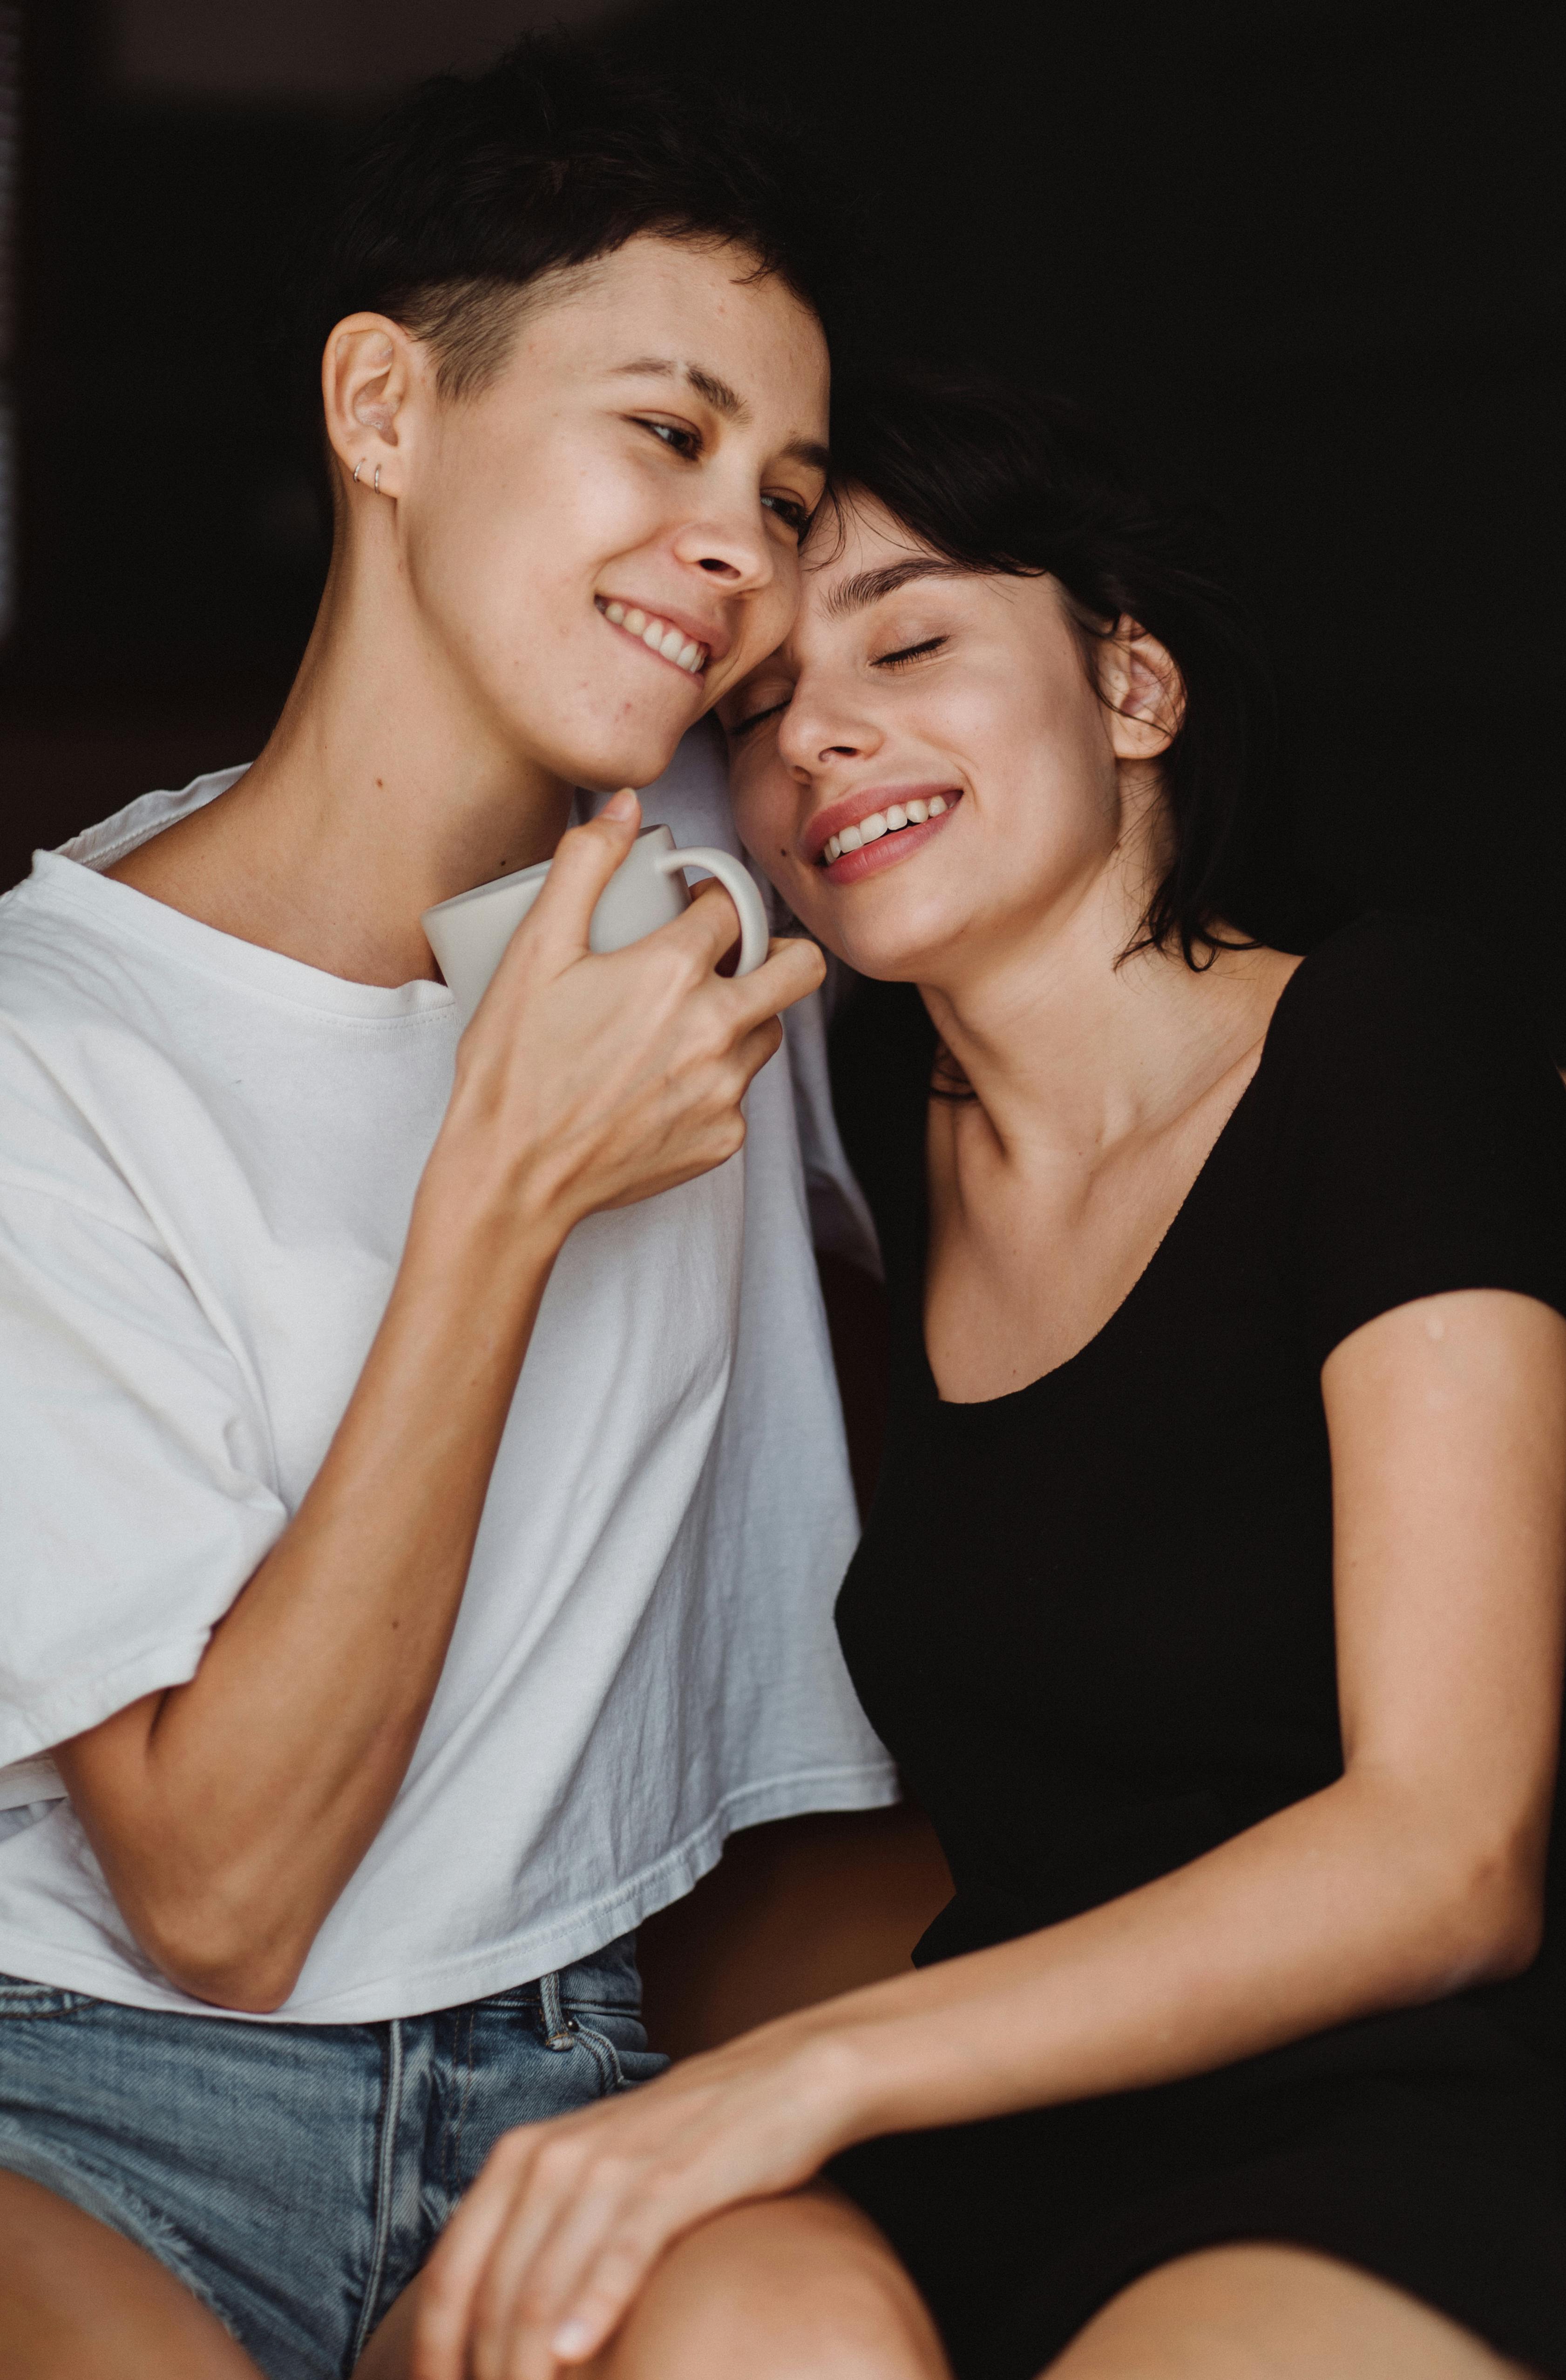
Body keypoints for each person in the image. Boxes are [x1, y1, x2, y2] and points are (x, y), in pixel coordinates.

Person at [412, 375, 1566, 2380]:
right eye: (760, 711)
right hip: (957, 2144)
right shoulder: (848, 1114)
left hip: (1326, 2145)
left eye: (915, 637)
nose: (821, 738)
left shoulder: (1390, 1049)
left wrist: (794, 2079)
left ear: (1133, 687)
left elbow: (1446, 1853)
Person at [0, 41, 901, 2380]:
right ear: (383, 410)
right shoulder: (49, 1044)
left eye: (788, 491)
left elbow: (1171, 1081)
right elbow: (216, 1896)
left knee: (813, 2341)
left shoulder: (738, 923)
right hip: (78, 2096)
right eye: (667, 431)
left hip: (566, 2080)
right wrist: (500, 1199)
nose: (739, 541)